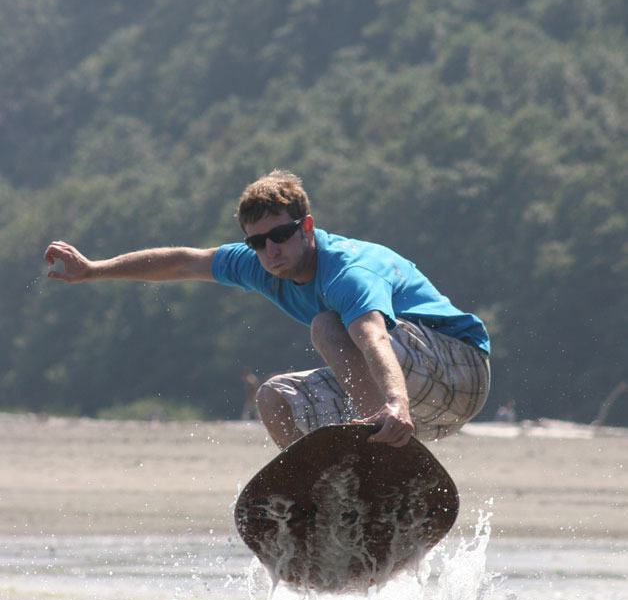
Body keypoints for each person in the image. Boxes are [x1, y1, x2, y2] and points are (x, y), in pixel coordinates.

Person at [44, 170, 490, 449]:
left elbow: (372, 334)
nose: (269, 250)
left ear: (307, 227)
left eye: (280, 236)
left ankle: (383, 441)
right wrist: (93, 271)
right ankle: (321, 497)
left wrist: (395, 402)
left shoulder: (348, 270)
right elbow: (183, 261)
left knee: (327, 326)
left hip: (459, 369)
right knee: (274, 398)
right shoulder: (259, 264)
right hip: (410, 403)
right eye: (257, 242)